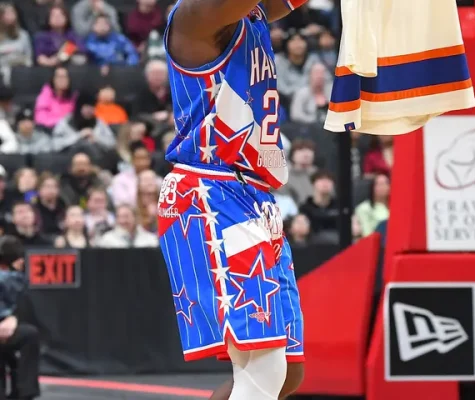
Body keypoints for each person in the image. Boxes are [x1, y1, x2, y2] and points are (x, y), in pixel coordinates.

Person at [157, 1, 309, 399]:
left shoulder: (252, 13)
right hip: (211, 192)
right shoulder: (195, 14)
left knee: (288, 373)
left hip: (255, 197)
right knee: (265, 365)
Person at [0, 235, 41, 400]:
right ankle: (24, 391)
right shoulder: (13, 280)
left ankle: (23, 392)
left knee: (28, 333)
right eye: (19, 258)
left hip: (6, 328)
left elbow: (23, 307)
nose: (23, 262)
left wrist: (12, 318)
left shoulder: (15, 279)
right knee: (29, 334)